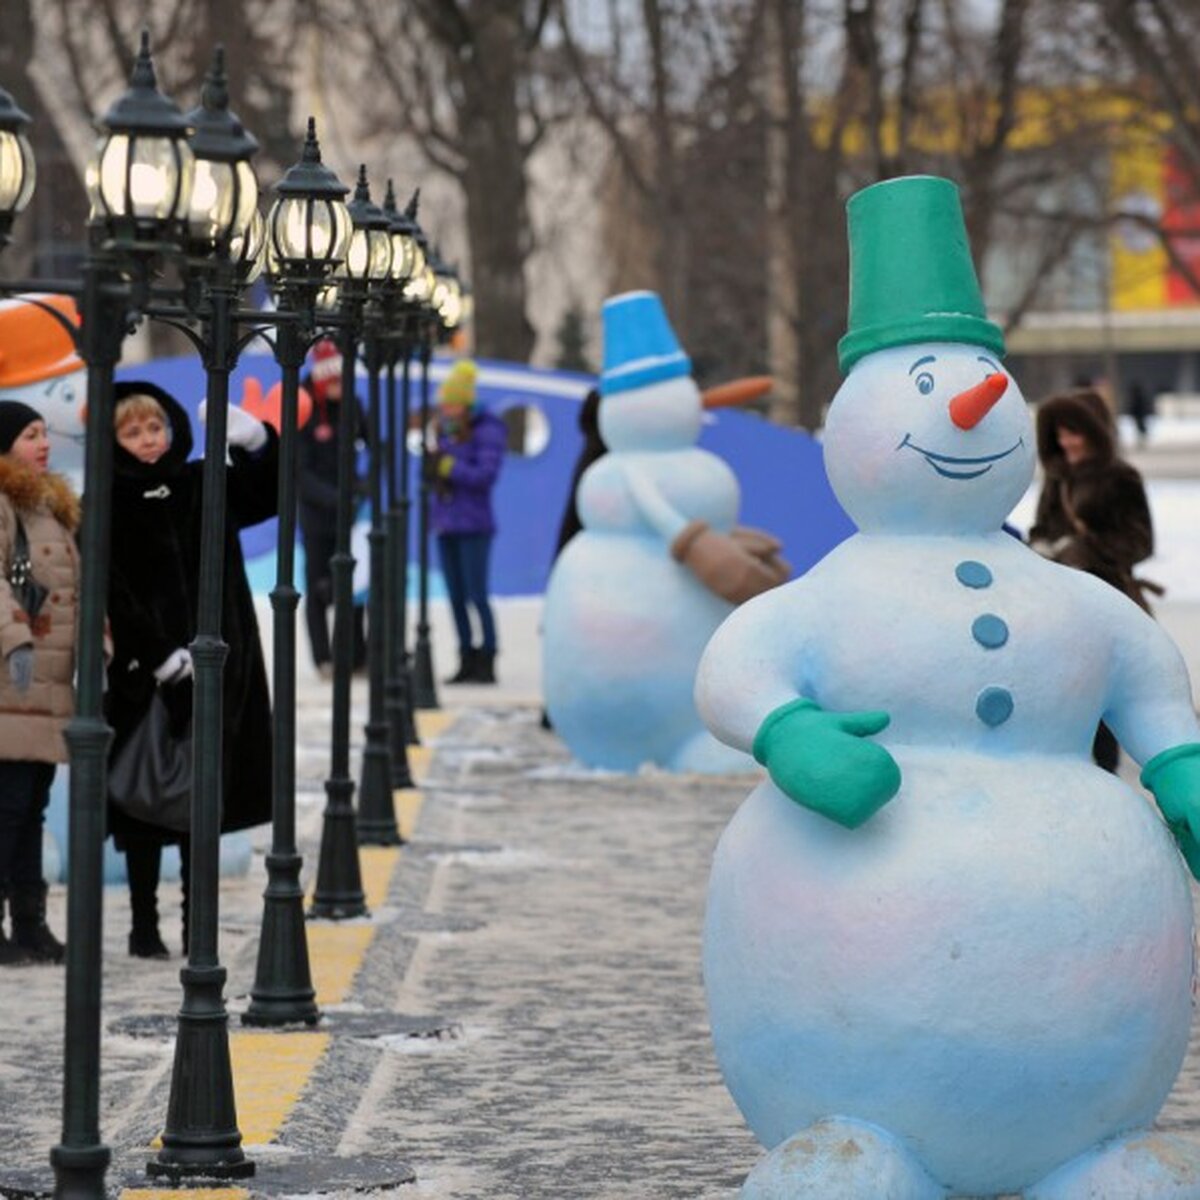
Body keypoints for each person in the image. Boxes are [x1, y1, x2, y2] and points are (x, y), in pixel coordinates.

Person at [105, 382, 276, 958]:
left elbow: (271, 492)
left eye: (154, 428)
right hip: (144, 674)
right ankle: (143, 921)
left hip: (219, 669)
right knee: (142, 799)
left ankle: (194, 922)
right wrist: (157, 656)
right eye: (132, 432)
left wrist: (254, 439)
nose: (147, 441)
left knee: (200, 802)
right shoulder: (106, 501)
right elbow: (113, 590)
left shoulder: (202, 483)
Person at [1029, 387, 1158, 773]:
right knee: (1067, 688)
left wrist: (1084, 550)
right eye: (1059, 434)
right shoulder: (1058, 478)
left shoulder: (1120, 477)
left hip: (1108, 597)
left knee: (1106, 691)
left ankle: (1106, 772)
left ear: (1093, 433)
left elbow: (1141, 541)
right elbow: (1042, 526)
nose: (1066, 442)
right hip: (1062, 599)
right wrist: (1043, 547)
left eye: (1075, 432)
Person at [0, 401, 78, 965]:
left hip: (49, 684)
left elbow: (77, 587)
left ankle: (31, 923)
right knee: (6, 810)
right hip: (11, 681)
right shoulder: (4, 503)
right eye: (31, 434)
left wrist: (97, 647)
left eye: (44, 433)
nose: (43, 443)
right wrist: (15, 639)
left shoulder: (51, 506)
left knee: (33, 809)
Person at [428, 359, 506, 684]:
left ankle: (487, 657)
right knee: (456, 596)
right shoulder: (446, 430)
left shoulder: (488, 429)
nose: (444, 409)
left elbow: (486, 475)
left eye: (450, 404)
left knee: (477, 594)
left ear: (463, 404)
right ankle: (465, 657)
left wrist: (450, 468)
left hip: (474, 526)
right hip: (447, 523)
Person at [297, 338, 366, 679]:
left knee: (353, 588)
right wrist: (333, 497)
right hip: (316, 517)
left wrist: (363, 486)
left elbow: (372, 440)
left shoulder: (351, 403)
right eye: (335, 382)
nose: (341, 387)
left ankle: (353, 656)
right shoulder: (303, 405)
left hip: (348, 516)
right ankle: (323, 659)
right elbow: (298, 471)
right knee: (318, 589)